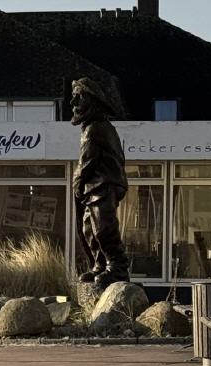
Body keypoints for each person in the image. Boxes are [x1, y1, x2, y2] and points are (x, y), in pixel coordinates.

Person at [72, 78, 130, 288]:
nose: (73, 103)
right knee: (89, 229)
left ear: (91, 100)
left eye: (78, 97)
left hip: (103, 185)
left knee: (103, 228)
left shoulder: (96, 128)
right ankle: (100, 264)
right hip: (94, 187)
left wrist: (78, 181)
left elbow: (87, 160)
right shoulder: (93, 126)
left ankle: (117, 267)